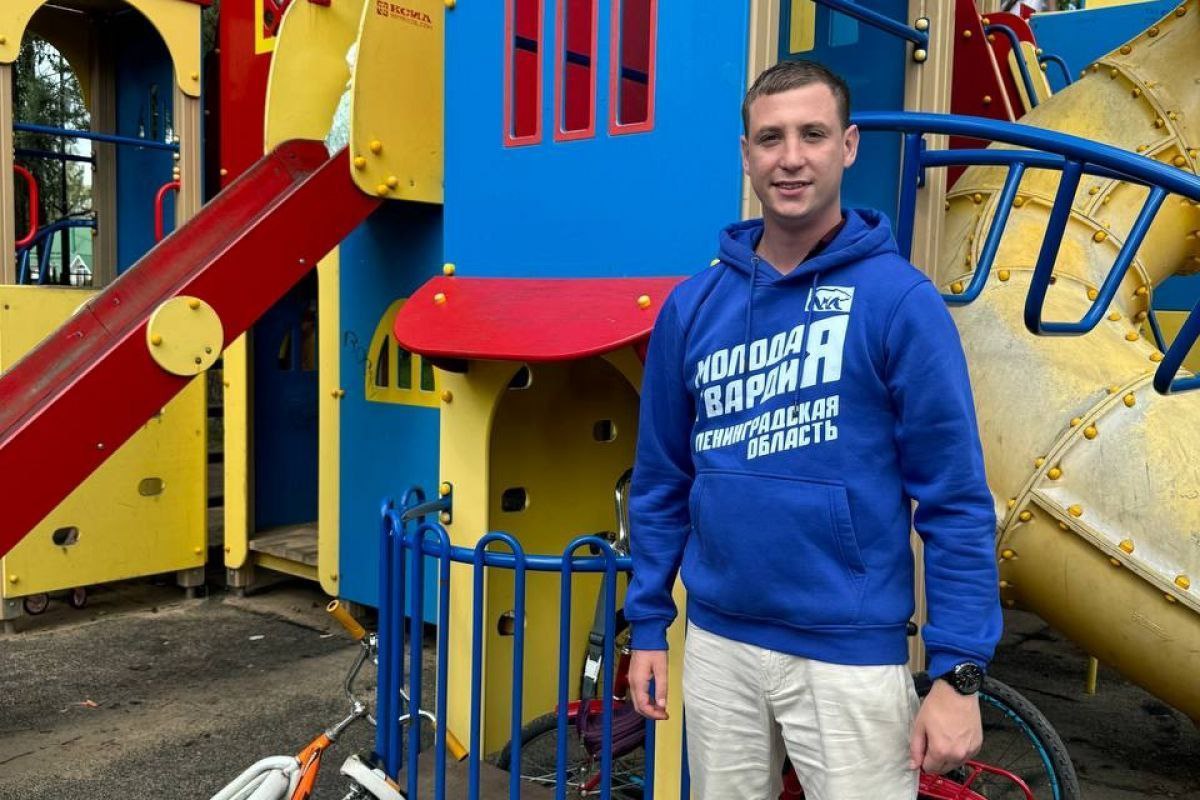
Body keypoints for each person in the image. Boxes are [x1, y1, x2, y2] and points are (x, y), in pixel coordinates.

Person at [623, 59, 1003, 799]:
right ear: (746, 155)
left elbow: (956, 499)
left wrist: (958, 672)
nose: (790, 157)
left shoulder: (900, 303)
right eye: (770, 138)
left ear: (848, 146)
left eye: (813, 134)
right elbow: (663, 480)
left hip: (848, 656)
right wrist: (647, 624)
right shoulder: (691, 308)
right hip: (717, 642)